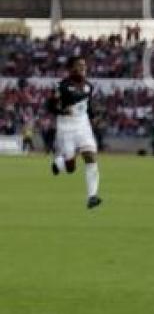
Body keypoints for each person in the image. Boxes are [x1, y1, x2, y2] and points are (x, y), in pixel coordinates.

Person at [46, 56, 103, 209]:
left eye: (84, 65)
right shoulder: (61, 86)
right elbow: (49, 106)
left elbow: (88, 107)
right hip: (66, 128)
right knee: (71, 167)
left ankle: (92, 196)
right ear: (71, 68)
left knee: (90, 156)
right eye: (79, 65)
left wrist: (95, 116)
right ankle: (59, 164)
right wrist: (62, 111)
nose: (83, 68)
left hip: (83, 126)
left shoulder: (89, 86)